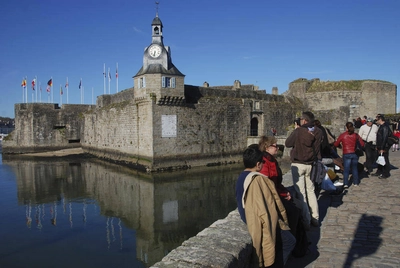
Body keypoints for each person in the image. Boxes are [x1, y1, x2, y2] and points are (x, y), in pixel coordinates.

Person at [235, 145, 295, 267]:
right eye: (262, 162)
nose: (263, 164)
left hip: (247, 215)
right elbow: (262, 209)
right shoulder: (257, 180)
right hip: (258, 219)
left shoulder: (242, 177)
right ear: (258, 164)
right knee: (290, 241)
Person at [285, 111, 323, 227]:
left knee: (301, 193)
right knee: (311, 191)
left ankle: (306, 221)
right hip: (311, 164)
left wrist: (296, 130)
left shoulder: (299, 131)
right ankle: (315, 218)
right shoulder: (318, 131)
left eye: (301, 119)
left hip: (298, 164)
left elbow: (287, 143)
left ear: (305, 121)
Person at [258, 136, 302, 234]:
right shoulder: (264, 162)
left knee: (299, 205)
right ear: (267, 147)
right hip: (271, 197)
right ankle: (291, 239)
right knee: (294, 210)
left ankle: (299, 242)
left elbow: (277, 183)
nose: (277, 148)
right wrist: (283, 194)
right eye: (275, 146)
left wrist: (285, 191)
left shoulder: (272, 160)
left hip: (277, 193)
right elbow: (267, 185)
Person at [333, 122, 365, 187]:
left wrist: (340, 146)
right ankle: (356, 182)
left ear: (346, 127)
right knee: (354, 168)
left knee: (346, 169)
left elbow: (336, 144)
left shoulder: (343, 135)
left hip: (346, 153)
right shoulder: (356, 135)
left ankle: (346, 183)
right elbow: (362, 144)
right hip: (354, 153)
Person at [372, 114, 391, 179]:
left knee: (385, 159)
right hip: (380, 146)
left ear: (380, 119)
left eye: (377, 120)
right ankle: (379, 171)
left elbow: (384, 138)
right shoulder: (381, 126)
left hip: (384, 146)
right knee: (379, 159)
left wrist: (382, 148)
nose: (376, 121)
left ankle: (386, 173)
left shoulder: (385, 127)